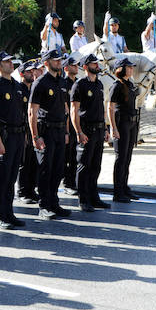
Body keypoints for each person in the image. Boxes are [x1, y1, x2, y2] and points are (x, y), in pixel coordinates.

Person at [28, 48, 72, 220]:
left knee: (58, 168)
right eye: (55, 60)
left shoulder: (61, 82)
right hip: (46, 130)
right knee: (46, 168)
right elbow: (32, 112)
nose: (59, 62)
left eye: (60, 60)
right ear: (46, 63)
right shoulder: (40, 83)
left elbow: (65, 109)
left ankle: (54, 201)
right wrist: (35, 136)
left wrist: (67, 131)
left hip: (60, 130)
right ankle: (44, 205)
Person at [0, 51, 28, 228]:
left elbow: (22, 113)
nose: (11, 63)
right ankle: (0, 215)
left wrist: (25, 135)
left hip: (18, 135)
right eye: (6, 61)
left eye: (11, 60)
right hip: (6, 135)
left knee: (12, 177)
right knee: (2, 177)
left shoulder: (17, 86)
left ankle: (9, 213)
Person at [70, 54, 111, 212]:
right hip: (86, 129)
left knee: (96, 165)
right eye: (93, 64)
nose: (97, 65)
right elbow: (74, 110)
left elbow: (101, 108)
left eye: (97, 63)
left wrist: (106, 128)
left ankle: (94, 197)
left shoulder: (99, 84)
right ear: (85, 67)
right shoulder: (79, 85)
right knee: (84, 165)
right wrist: (78, 132)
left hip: (99, 129)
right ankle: (83, 199)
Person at [107, 59, 140, 203]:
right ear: (121, 69)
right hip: (122, 123)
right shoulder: (116, 86)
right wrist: (113, 127)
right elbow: (110, 108)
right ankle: (118, 191)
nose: (132, 69)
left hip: (131, 123)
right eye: (129, 67)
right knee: (120, 158)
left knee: (127, 157)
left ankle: (124, 187)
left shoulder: (130, 84)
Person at [16, 60, 39, 205]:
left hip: (34, 129)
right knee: (24, 163)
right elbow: (20, 113)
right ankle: (22, 191)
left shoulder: (33, 89)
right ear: (22, 74)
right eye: (29, 72)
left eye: (33, 71)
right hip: (24, 130)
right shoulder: (19, 89)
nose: (32, 74)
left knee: (33, 161)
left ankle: (31, 190)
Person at [61, 54, 80, 193]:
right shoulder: (63, 84)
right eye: (73, 65)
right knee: (67, 155)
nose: (76, 67)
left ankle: (73, 180)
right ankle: (67, 183)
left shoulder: (79, 83)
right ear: (66, 68)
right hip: (67, 124)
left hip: (78, 123)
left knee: (76, 155)